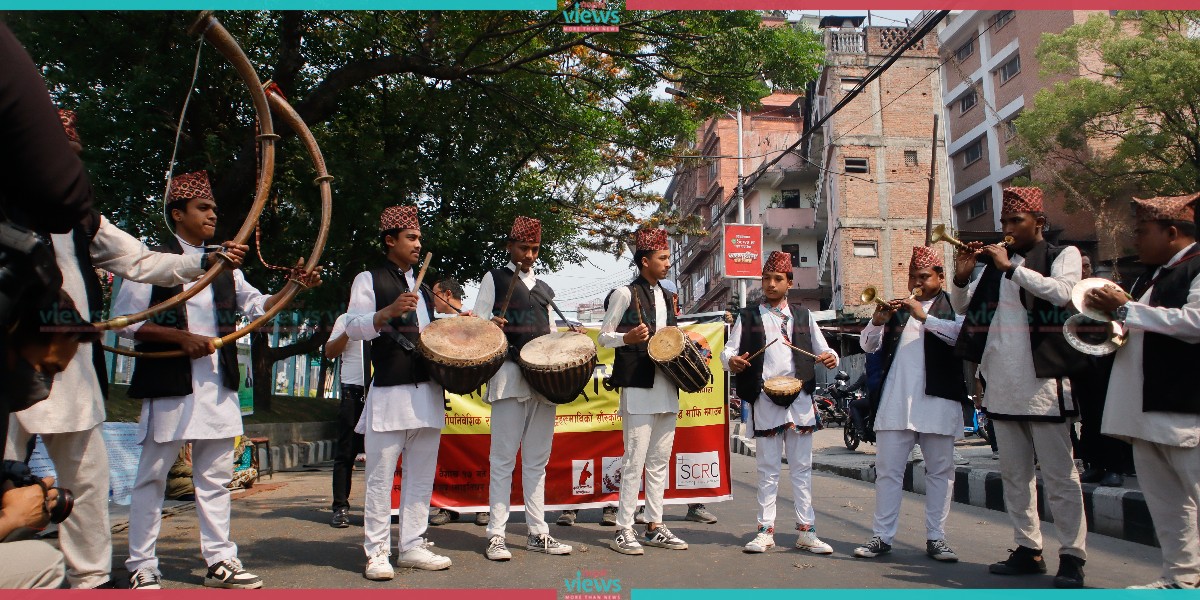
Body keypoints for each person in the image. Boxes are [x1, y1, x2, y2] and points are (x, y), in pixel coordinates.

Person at [5, 109, 248, 590]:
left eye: (72, 159)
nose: (68, 168)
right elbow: (133, 323)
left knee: (87, 482)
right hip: (9, 366)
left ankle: (92, 578)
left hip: (69, 369)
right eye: (58, 156)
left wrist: (204, 263)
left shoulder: (82, 218)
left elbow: (139, 260)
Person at [113, 170, 319, 590]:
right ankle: (141, 563)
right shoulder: (152, 261)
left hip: (217, 385)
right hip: (170, 382)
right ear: (178, 213)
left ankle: (220, 559)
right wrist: (180, 337)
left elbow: (259, 306)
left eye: (214, 210)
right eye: (203, 209)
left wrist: (293, 287)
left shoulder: (225, 265)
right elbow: (125, 324)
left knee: (214, 477)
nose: (212, 216)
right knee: (153, 476)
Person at [950, 187, 1088, 588]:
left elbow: (1064, 293)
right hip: (1003, 384)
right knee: (1014, 474)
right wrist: (961, 273)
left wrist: (1011, 267)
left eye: (1016, 221)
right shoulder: (995, 266)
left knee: (1061, 476)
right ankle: (1028, 548)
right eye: (1005, 223)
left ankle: (1072, 555)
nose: (1007, 229)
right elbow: (962, 307)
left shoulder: (1063, 255)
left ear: (1038, 223)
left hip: (1044, 384)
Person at [1087, 194, 1200, 589]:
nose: (1135, 240)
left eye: (1141, 232)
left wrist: (1125, 310)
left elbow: (1195, 323)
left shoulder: (1197, 268)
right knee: (1168, 505)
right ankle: (1181, 579)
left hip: (1185, 407)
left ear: (1172, 232)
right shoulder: (1149, 276)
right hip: (1145, 409)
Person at [344, 205, 451, 580]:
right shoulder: (368, 279)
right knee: (380, 478)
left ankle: (412, 545)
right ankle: (376, 552)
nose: (418, 244)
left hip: (427, 393)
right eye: (411, 237)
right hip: (389, 393)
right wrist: (385, 312)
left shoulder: (422, 289)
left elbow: (430, 338)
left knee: (421, 476)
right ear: (390, 240)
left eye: (420, 238)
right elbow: (353, 327)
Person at [721, 250, 839, 555]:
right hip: (765, 399)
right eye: (766, 279)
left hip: (799, 398)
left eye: (777, 279)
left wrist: (831, 357)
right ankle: (765, 531)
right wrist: (731, 361)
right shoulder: (748, 316)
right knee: (768, 468)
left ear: (789, 282)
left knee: (802, 467)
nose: (770, 284)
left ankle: (806, 531)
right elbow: (728, 351)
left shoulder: (803, 316)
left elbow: (824, 349)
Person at [853, 246, 966, 562]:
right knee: (888, 472)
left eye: (924, 276)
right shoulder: (897, 309)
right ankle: (882, 536)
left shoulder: (954, 304)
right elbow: (867, 345)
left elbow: (962, 337)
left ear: (940, 277)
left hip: (939, 400)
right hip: (896, 401)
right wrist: (877, 321)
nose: (917, 282)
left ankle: (936, 538)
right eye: (913, 276)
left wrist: (925, 317)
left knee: (940, 471)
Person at [473, 216, 573, 560]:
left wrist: (567, 339)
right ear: (509, 247)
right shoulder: (495, 279)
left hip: (542, 381)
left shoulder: (544, 289)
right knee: (502, 460)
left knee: (536, 462)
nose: (529, 255)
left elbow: (549, 334)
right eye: (523, 248)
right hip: (508, 378)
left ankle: (537, 532)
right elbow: (477, 328)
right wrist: (491, 325)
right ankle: (496, 535)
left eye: (534, 249)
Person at [600, 228, 688, 555]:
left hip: (667, 385)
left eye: (667, 257)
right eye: (663, 258)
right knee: (634, 460)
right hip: (637, 386)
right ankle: (624, 528)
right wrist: (627, 339)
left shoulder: (667, 296)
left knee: (659, 460)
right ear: (645, 261)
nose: (668, 264)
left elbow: (672, 339)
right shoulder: (624, 293)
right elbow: (603, 337)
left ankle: (654, 524)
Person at [426, 276, 488, 528]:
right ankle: (447, 506)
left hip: (475, 403)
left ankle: (483, 506)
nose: (432, 300)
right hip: (447, 401)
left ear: (447, 293)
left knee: (481, 453)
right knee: (446, 454)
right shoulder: (431, 324)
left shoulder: (475, 321)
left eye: (435, 294)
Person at [325, 312, 368, 529]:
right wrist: (348, 332)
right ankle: (340, 507)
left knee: (384, 454)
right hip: (353, 391)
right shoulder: (346, 319)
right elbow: (330, 352)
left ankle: (382, 508)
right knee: (345, 453)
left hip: (381, 389)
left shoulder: (390, 314)